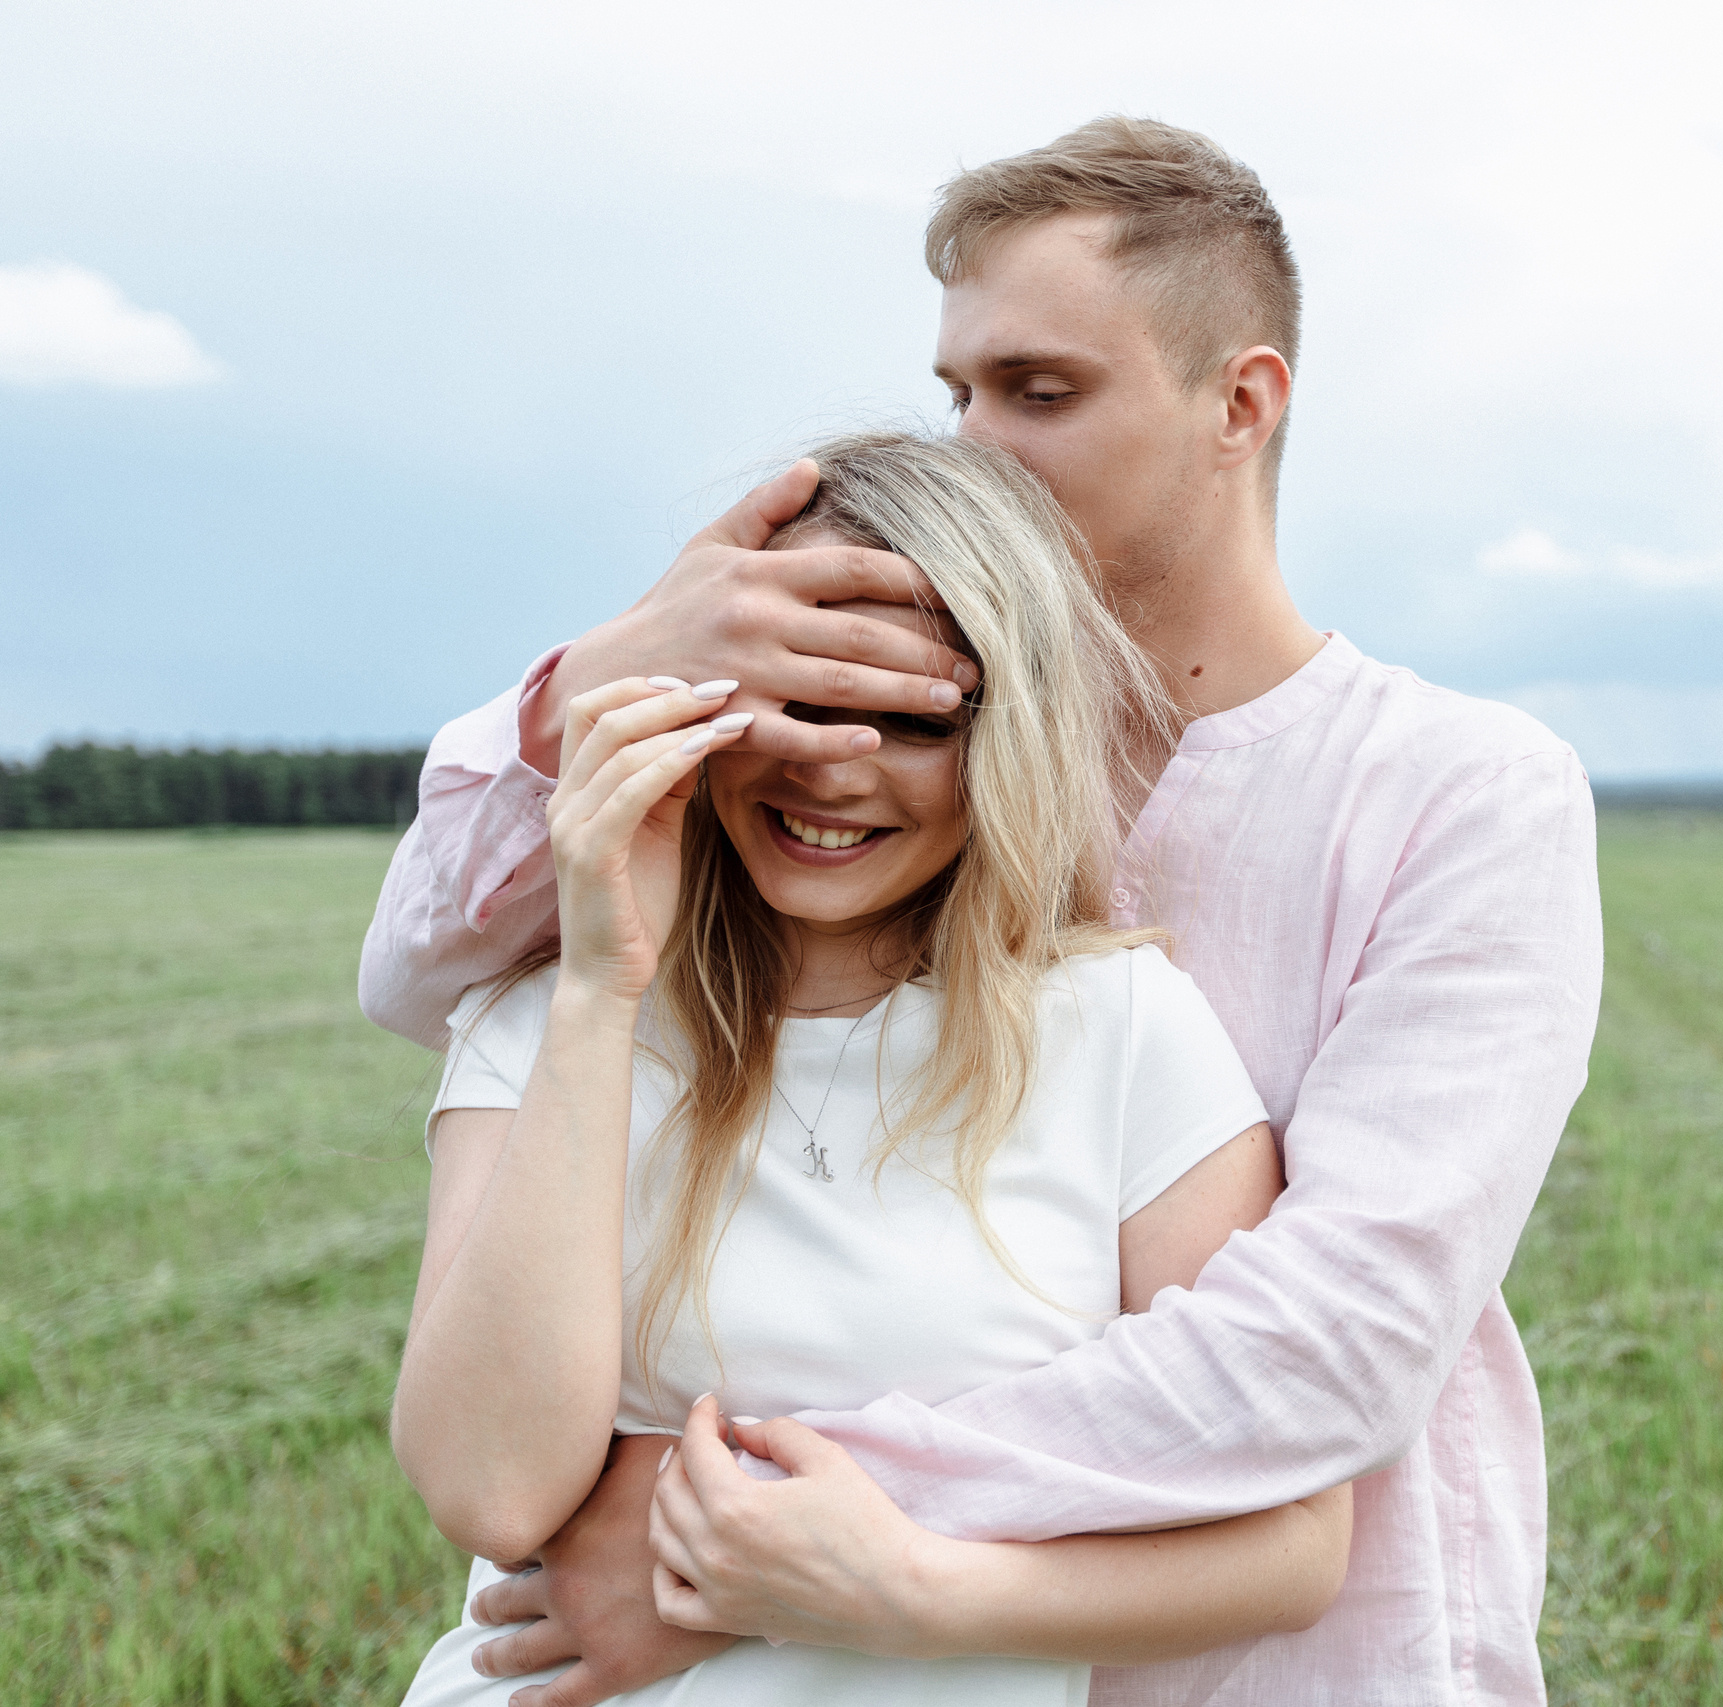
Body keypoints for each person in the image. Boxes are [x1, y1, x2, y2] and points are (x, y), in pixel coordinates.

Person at [362, 117, 1602, 1707]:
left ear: (1243, 403)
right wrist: (610, 671)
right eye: (958, 392)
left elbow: (1333, 1343)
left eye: (1040, 391)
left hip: (1289, 1665)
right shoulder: (872, 745)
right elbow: (420, 974)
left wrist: (731, 1535)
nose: (975, 443)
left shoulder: (1461, 792)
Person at [396, 430, 1354, 1705]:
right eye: (792, 701)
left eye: (910, 719)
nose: (832, 762)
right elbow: (488, 1487)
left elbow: (1291, 1546)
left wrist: (889, 1589)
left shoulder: (1124, 1030)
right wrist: (598, 989)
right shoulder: (543, 1017)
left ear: (1009, 736)